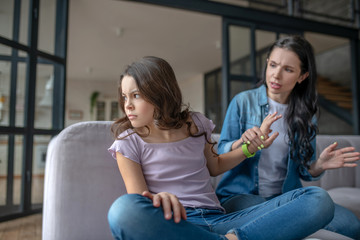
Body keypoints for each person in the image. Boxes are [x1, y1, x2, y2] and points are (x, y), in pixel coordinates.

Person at [107, 56, 335, 240]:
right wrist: (159, 197)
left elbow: (215, 165)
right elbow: (139, 200)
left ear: (159, 92)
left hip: (221, 220)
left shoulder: (195, 124)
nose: (127, 105)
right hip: (178, 223)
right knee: (123, 210)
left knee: (318, 199)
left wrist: (249, 148)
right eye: (125, 96)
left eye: (136, 95)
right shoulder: (127, 142)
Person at [215, 35, 360, 239]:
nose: (276, 75)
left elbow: (303, 169)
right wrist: (241, 143)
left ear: (302, 76)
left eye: (288, 70)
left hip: (285, 196)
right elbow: (220, 151)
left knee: (350, 225)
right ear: (267, 64)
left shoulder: (305, 115)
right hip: (242, 196)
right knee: (269, 212)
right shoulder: (242, 102)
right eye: (273, 65)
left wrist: (319, 165)